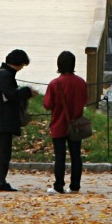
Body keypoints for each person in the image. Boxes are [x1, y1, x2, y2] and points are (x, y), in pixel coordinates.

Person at [42, 50, 89, 193]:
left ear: (59, 64)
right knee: (76, 156)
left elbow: (48, 104)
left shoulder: (55, 83)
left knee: (60, 156)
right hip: (76, 125)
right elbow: (85, 100)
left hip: (59, 124)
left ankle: (59, 185)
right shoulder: (81, 82)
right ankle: (75, 185)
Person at [0, 49, 34, 192]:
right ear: (17, 63)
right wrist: (27, 92)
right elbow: (11, 95)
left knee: (2, 152)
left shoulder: (3, 73)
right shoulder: (5, 75)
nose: (21, 69)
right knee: (2, 152)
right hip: (2, 120)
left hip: (1, 119)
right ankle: (0, 182)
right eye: (22, 65)